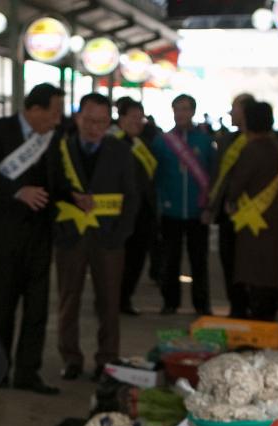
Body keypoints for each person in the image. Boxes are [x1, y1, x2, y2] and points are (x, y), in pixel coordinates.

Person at [0, 83, 64, 395]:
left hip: (40, 236)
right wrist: (17, 190)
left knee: (37, 309)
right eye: (52, 113)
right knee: (0, 308)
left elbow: (58, 180)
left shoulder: (55, 138)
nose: (56, 121)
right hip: (2, 235)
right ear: (34, 109)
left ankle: (29, 372)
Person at [49, 93, 139, 381]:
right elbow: (49, 188)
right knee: (68, 300)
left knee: (109, 301)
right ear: (77, 118)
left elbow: (132, 196)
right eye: (89, 120)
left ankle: (107, 359)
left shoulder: (120, 150)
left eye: (101, 122)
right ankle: (71, 358)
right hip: (70, 236)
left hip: (108, 238)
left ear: (109, 123)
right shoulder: (59, 147)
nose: (94, 127)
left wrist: (122, 235)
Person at [213, 100, 278, 320]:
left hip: (251, 219)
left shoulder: (252, 148)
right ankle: (265, 310)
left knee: (253, 269)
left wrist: (230, 201)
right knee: (268, 267)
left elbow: (237, 183)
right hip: (271, 217)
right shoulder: (276, 146)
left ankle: (256, 314)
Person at [153, 94, 215, 316]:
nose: (181, 113)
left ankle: (202, 303)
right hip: (171, 210)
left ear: (193, 111)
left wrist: (209, 207)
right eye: (177, 108)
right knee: (170, 260)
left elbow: (213, 175)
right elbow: (156, 175)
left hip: (198, 212)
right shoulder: (162, 142)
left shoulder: (206, 142)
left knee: (199, 260)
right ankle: (170, 302)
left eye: (186, 109)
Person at [208, 92, 255, 317]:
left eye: (234, 109)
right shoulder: (227, 140)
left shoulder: (259, 142)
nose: (231, 114)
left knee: (247, 262)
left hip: (253, 214)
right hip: (228, 213)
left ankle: (247, 304)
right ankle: (235, 305)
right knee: (228, 261)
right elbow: (220, 175)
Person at [112, 98, 159, 317]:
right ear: (121, 119)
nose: (136, 122)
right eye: (132, 117)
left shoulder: (143, 144)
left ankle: (125, 298)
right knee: (117, 259)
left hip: (144, 211)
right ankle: (113, 299)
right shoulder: (112, 143)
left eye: (139, 117)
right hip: (120, 211)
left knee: (137, 259)